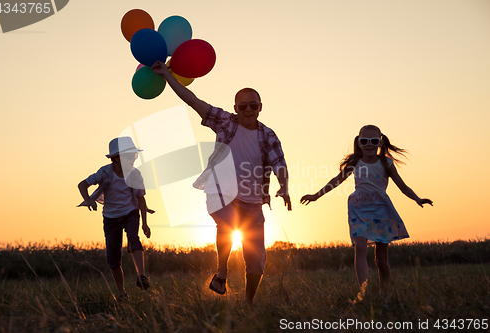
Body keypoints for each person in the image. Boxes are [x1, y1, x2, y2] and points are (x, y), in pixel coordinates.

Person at [151, 61, 291, 303]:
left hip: (252, 201)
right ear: (235, 108)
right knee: (227, 224)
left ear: (260, 107)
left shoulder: (268, 135)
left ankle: (248, 302)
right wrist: (167, 76)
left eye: (253, 105)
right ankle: (222, 272)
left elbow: (280, 164)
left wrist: (284, 186)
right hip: (221, 192)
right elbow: (193, 101)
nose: (248, 110)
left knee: (257, 261)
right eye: (243, 106)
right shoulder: (225, 122)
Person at [300, 125, 432, 300]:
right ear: (359, 143)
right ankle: (363, 293)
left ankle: (384, 295)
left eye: (374, 141)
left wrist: (417, 198)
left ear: (380, 142)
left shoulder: (386, 163)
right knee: (360, 248)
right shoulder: (355, 163)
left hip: (381, 211)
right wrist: (316, 195)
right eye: (364, 141)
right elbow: (336, 180)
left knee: (381, 262)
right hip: (359, 209)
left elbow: (402, 186)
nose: (369, 144)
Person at [78, 136, 153, 300]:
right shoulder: (105, 173)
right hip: (111, 218)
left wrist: (145, 223)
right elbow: (82, 184)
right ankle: (122, 293)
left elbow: (140, 198)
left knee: (134, 238)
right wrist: (88, 199)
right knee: (113, 256)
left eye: (134, 155)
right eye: (129, 156)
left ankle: (142, 276)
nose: (133, 159)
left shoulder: (135, 175)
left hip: (130, 212)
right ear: (116, 158)